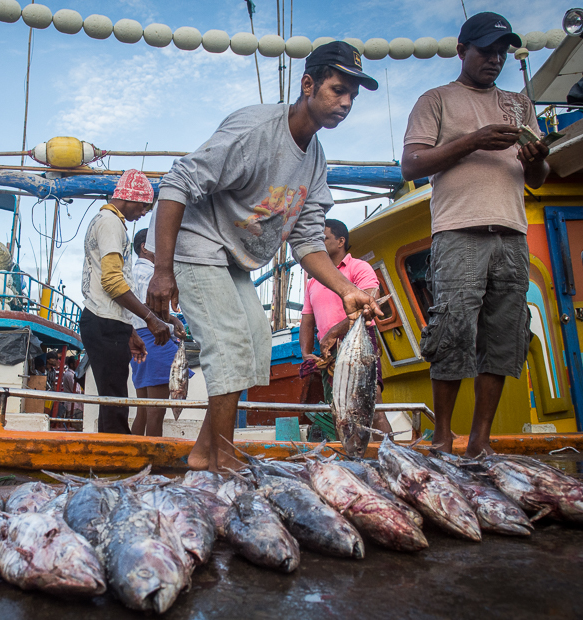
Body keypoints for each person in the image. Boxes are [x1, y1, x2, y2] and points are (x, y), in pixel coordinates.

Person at [147, 41, 382, 471]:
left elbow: (308, 240)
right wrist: (162, 270)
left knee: (256, 345)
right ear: (308, 84)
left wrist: (347, 289)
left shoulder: (315, 159)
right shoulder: (256, 131)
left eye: (353, 95)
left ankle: (204, 452)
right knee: (230, 345)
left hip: (235, 257)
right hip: (196, 242)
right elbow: (177, 182)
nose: (346, 102)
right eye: (338, 89)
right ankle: (220, 456)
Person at [401, 12, 550, 457]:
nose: (496, 59)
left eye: (501, 52)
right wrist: (474, 140)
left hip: (512, 234)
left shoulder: (520, 104)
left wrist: (538, 155)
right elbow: (412, 165)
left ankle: (480, 440)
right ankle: (444, 435)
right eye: (486, 50)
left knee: (505, 335)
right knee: (451, 331)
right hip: (458, 232)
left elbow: (539, 178)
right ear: (462, 50)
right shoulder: (436, 99)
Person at [80, 169, 181, 434]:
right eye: (144, 207)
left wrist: (129, 330)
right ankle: (116, 468)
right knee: (115, 405)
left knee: (114, 401)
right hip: (103, 322)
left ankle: (111, 465)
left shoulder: (104, 221)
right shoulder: (111, 224)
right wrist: (151, 319)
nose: (144, 213)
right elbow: (112, 282)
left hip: (107, 321)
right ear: (132, 199)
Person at [299, 219, 391, 433]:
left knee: (373, 404)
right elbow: (307, 319)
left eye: (325, 238)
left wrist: (334, 332)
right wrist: (305, 352)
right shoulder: (313, 281)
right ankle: (351, 458)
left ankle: (390, 457)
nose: (320, 243)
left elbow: (369, 302)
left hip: (359, 343)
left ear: (341, 241)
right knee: (338, 411)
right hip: (329, 351)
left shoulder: (359, 267)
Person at [128, 229, 191, 437]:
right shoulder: (150, 274)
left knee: (143, 411)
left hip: (138, 341)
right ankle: (153, 463)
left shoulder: (130, 273)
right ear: (145, 247)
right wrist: (173, 321)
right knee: (157, 412)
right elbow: (153, 308)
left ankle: (136, 457)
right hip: (157, 341)